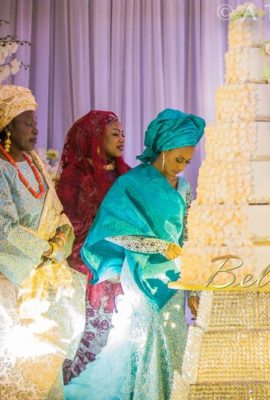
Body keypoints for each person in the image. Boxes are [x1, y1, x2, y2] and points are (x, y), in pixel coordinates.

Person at [64, 108, 205, 400]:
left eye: (187, 161)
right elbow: (115, 232)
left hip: (175, 276)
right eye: (178, 159)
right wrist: (159, 246)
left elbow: (189, 233)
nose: (181, 167)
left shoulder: (185, 186)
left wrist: (194, 286)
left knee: (174, 337)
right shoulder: (132, 183)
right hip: (141, 275)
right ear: (162, 148)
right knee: (151, 337)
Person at [0, 85, 85, 398]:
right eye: (27, 123)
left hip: (46, 276)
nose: (35, 129)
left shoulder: (35, 162)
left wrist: (62, 238)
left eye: (36, 122)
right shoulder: (1, 168)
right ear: (7, 125)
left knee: (48, 361)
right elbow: (4, 228)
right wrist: (45, 249)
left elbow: (57, 211)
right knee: (20, 365)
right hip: (13, 282)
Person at [57, 110, 131, 382]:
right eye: (115, 133)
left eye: (123, 133)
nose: (122, 138)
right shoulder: (75, 175)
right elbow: (67, 224)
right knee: (85, 339)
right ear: (96, 137)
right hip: (86, 271)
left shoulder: (125, 175)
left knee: (118, 341)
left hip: (122, 268)